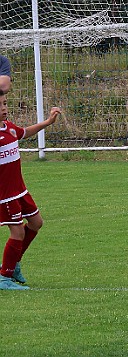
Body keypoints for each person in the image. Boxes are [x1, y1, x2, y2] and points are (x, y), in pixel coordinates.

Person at [0, 90, 61, 290]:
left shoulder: (8, 128)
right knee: (17, 233)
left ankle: (14, 263)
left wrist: (47, 122)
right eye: (0, 106)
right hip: (5, 196)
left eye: (5, 104)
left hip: (20, 190)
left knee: (36, 223)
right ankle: (4, 277)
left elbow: (25, 132)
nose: (4, 109)